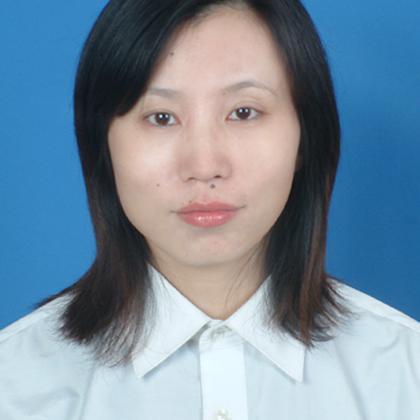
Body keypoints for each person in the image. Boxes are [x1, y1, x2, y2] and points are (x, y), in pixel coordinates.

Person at [0, 0, 419, 419]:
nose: (204, 166)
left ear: (305, 138)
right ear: (103, 147)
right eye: (161, 117)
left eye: (243, 112)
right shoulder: (15, 385)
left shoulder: (405, 374)